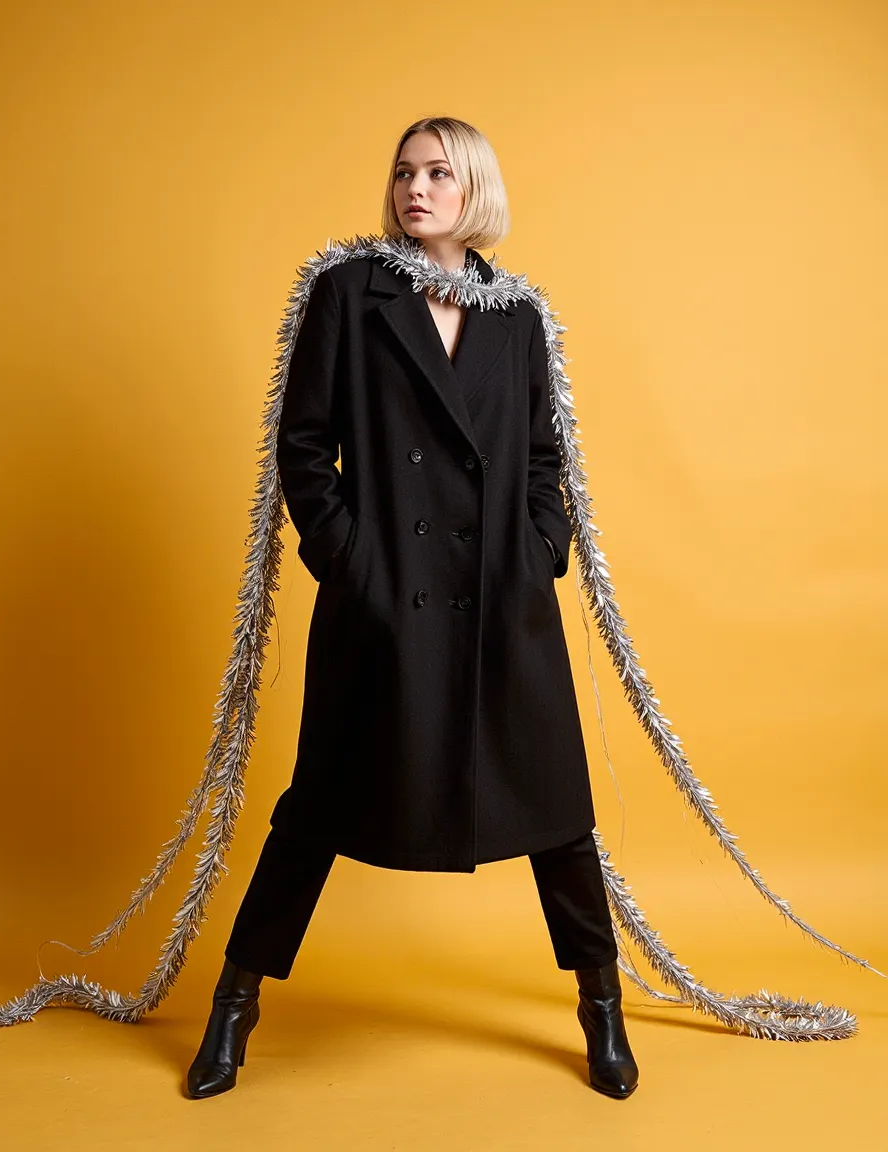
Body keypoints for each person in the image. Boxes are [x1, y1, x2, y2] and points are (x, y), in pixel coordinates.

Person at [185, 116, 639, 1101]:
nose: (414, 189)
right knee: (314, 814)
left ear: (473, 188)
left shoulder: (517, 316)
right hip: (386, 601)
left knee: (555, 811)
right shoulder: (350, 294)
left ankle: (600, 1009)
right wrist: (352, 564)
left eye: (437, 173)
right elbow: (304, 447)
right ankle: (232, 1007)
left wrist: (537, 552)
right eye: (403, 172)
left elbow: (540, 459)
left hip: (500, 604)